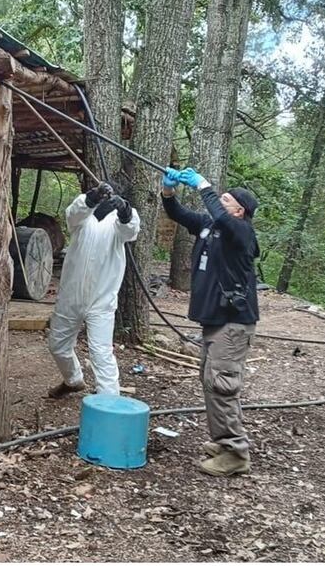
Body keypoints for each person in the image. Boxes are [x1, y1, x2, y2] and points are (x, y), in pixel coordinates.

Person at [161, 167, 260, 476]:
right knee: (211, 382)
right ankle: (223, 442)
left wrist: (203, 185)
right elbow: (177, 212)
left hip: (233, 324)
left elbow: (221, 217)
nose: (219, 200)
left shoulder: (242, 232)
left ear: (239, 210)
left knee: (222, 386)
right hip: (215, 321)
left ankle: (236, 454)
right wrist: (168, 191)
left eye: (225, 198)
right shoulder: (210, 226)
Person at [46, 181, 140, 398]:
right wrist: (92, 197)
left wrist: (124, 211)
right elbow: (72, 214)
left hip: (101, 299)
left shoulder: (119, 222)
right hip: (71, 295)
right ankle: (73, 380)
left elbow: (131, 230)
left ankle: (110, 405)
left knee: (101, 354)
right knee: (58, 346)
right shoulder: (83, 215)